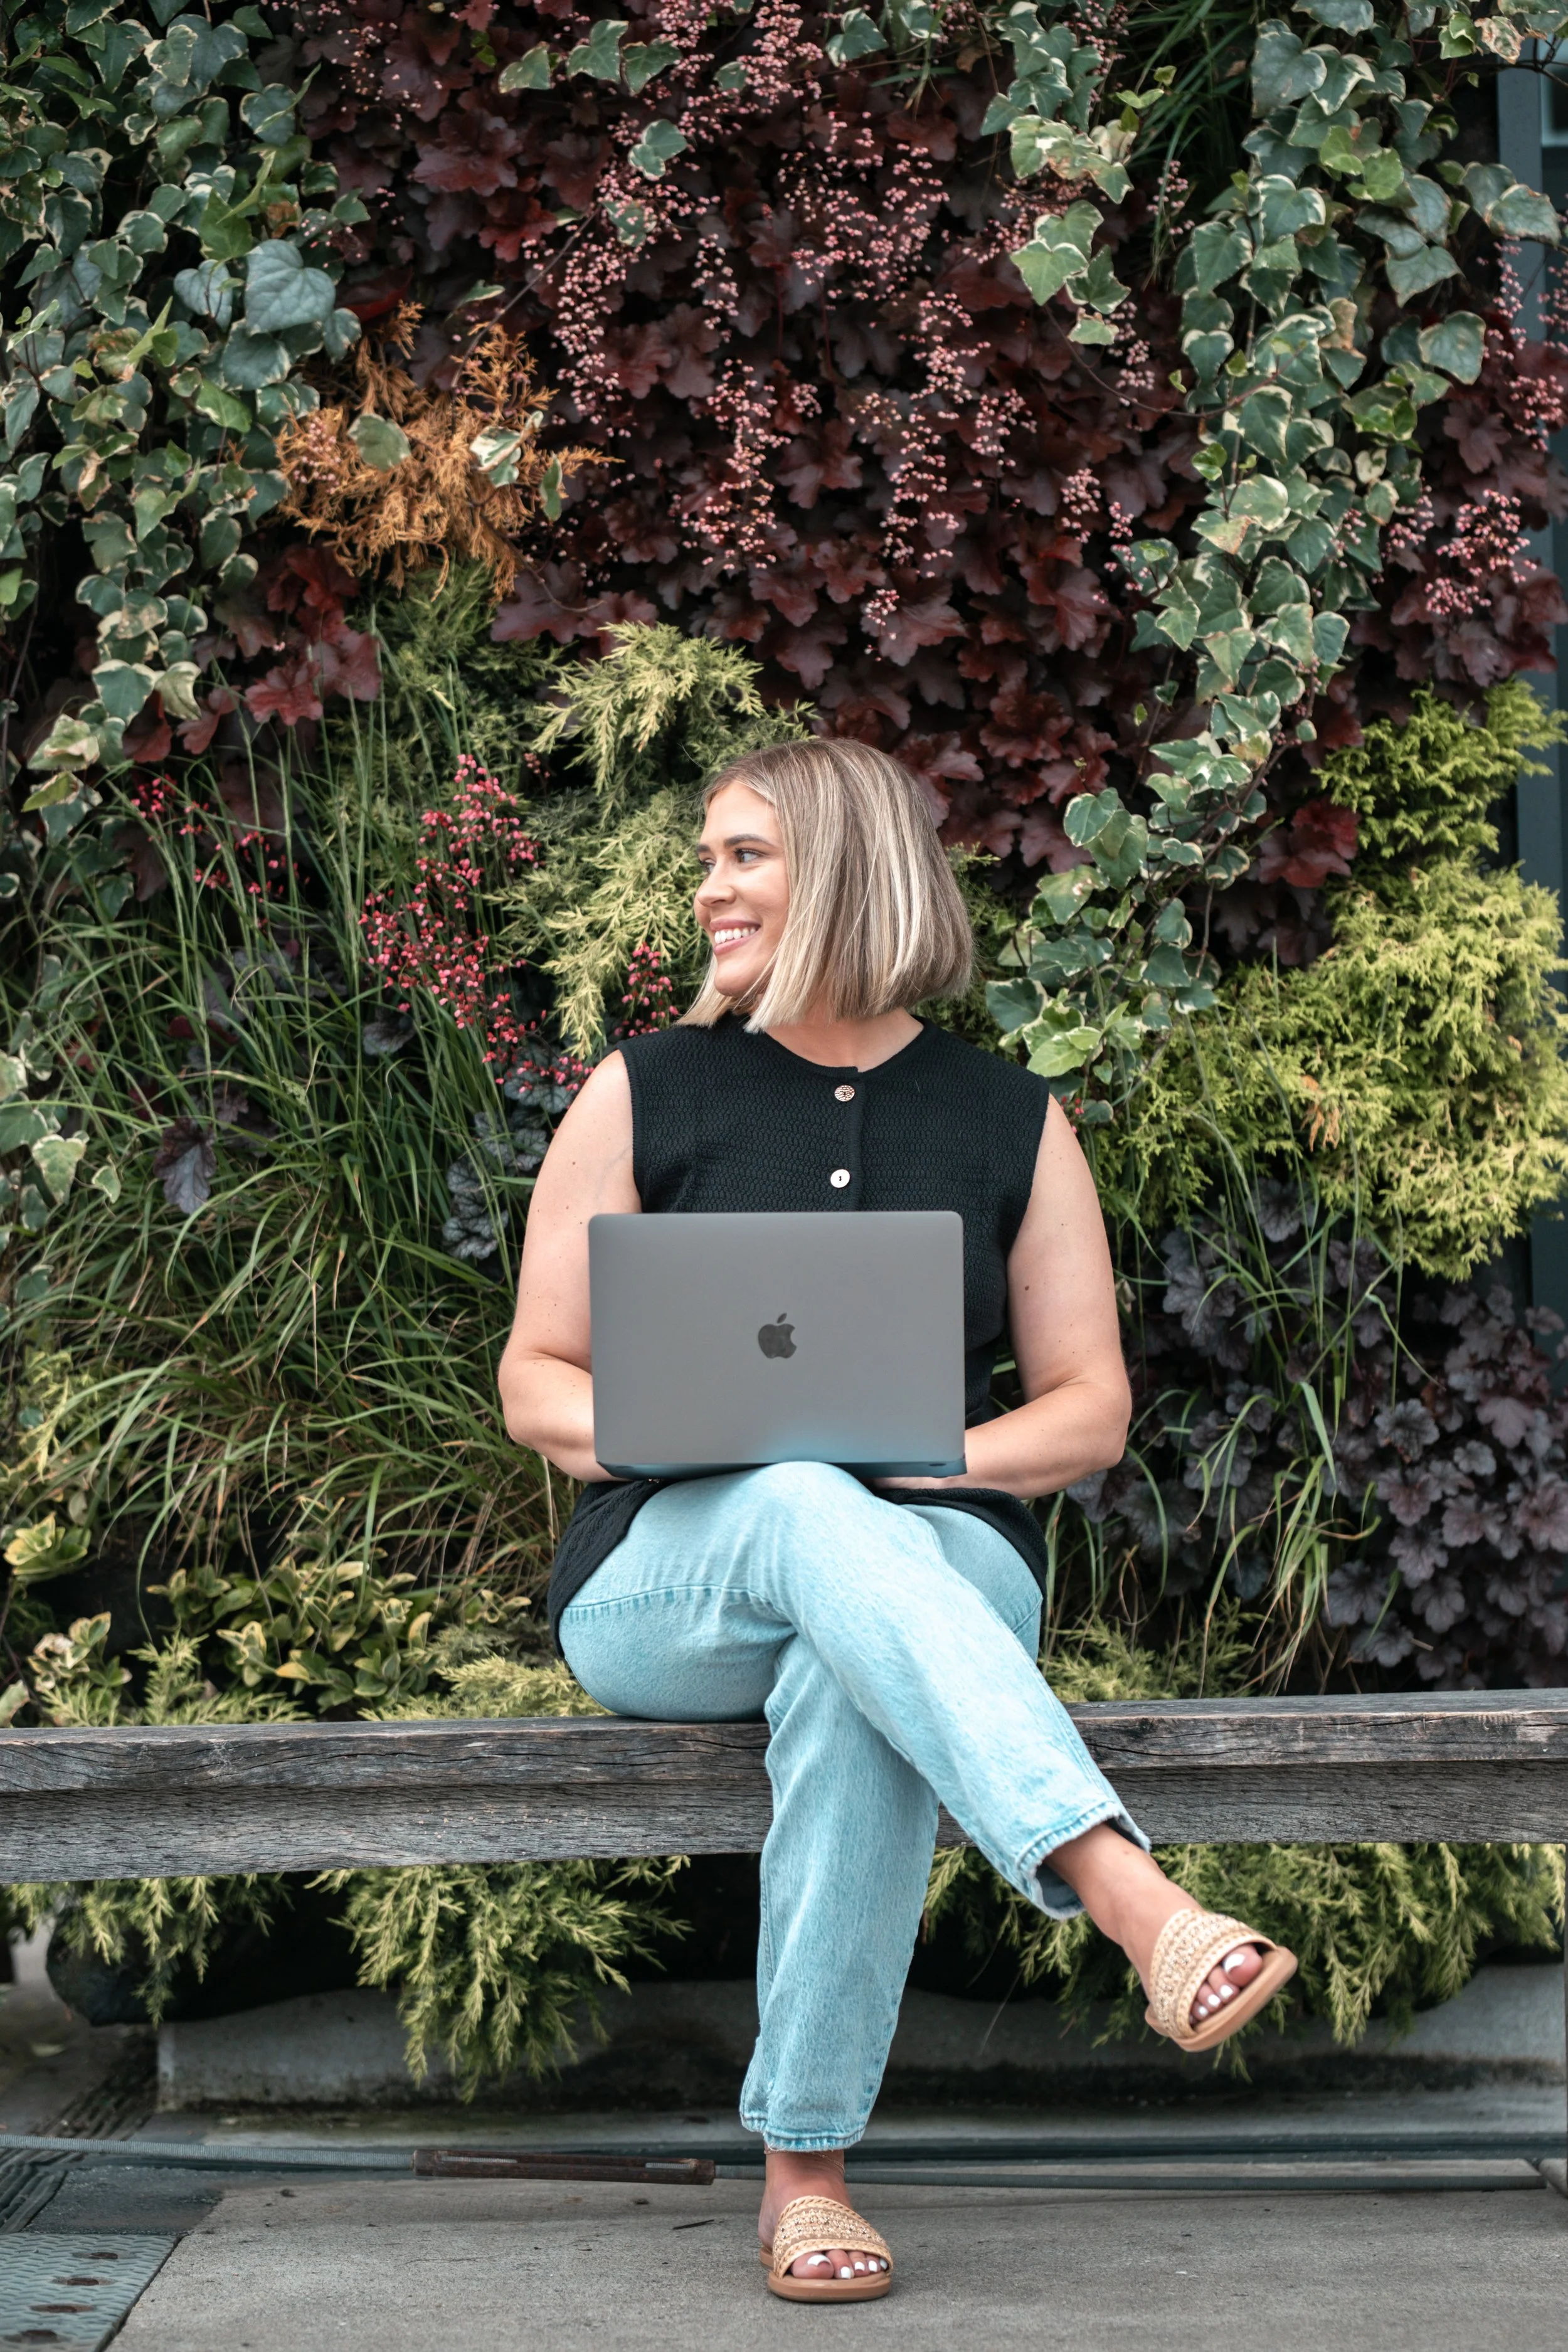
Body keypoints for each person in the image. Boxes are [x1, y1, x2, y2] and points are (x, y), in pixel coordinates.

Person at [498, 740, 1296, 2304]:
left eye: (743, 857)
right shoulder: (648, 1087)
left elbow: (1086, 1406)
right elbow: (535, 1381)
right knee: (797, 1494)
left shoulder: (1006, 1118)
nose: (707, 888)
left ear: (844, 870)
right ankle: (1134, 1902)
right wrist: (706, 1436)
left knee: (850, 1665)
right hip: (674, 1582)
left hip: (932, 1564)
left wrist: (936, 1464)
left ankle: (806, 2176)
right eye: (709, 857)